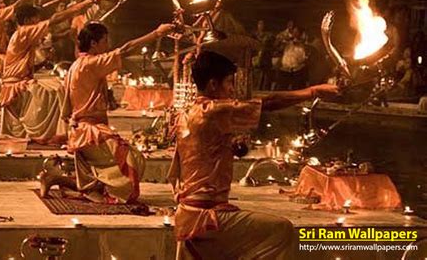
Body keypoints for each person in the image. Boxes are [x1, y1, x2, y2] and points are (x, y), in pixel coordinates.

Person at [169, 50, 339, 259]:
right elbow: (269, 103)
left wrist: (230, 147)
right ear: (213, 85)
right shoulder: (211, 110)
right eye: (230, 82)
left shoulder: (187, 113)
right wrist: (313, 91)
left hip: (191, 213)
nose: (232, 90)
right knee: (281, 229)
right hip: (205, 217)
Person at [40, 21, 175, 203]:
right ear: (94, 44)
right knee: (132, 158)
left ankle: (54, 179)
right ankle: (105, 192)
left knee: (111, 171)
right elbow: (126, 49)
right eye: (104, 41)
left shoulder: (78, 64)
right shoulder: (90, 63)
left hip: (84, 129)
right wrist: (156, 33)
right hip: (90, 133)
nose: (108, 45)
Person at [0, 0, 99, 142]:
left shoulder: (22, 34)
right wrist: (86, 2)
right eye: (36, 20)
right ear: (27, 21)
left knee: (55, 89)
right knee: (56, 91)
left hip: (19, 82)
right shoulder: (24, 32)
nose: (38, 23)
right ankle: (52, 135)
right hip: (16, 85)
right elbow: (56, 19)